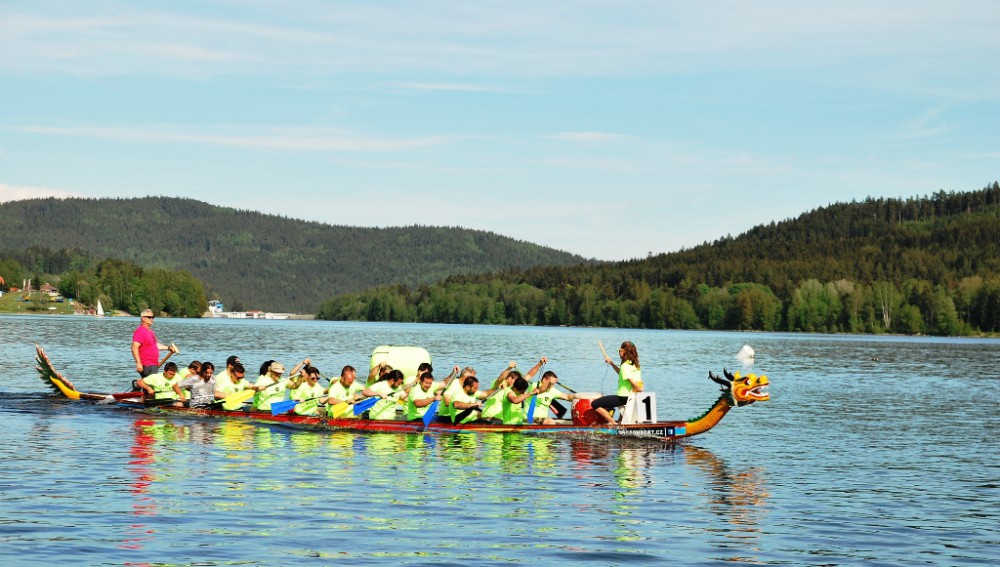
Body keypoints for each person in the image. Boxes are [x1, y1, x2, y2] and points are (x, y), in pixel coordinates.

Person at [592, 341, 643, 425]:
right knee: (618, 411)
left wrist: (639, 389)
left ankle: (612, 423)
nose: (619, 352)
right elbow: (621, 373)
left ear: (624, 351)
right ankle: (620, 422)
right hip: (632, 397)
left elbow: (632, 382)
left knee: (595, 404)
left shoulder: (625, 366)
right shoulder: (635, 364)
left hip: (623, 397)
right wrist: (612, 364)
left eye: (620, 350)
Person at [131, 309, 174, 378]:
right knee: (149, 384)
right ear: (143, 318)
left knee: (151, 383)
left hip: (153, 364)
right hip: (146, 365)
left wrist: (168, 348)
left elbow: (155, 345)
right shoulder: (140, 331)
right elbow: (134, 347)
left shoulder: (150, 331)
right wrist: (138, 363)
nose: (151, 319)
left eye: (152, 317)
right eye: (149, 317)